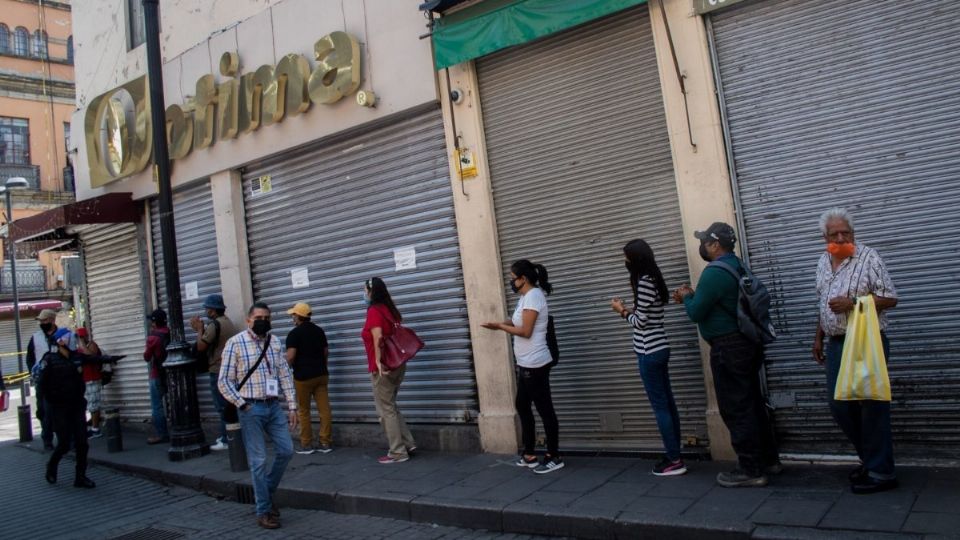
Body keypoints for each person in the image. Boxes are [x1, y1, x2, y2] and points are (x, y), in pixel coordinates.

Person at [672, 222, 779, 488]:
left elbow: (696, 313)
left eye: (704, 241)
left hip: (728, 348)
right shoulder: (737, 265)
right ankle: (768, 459)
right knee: (752, 402)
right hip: (746, 344)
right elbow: (720, 302)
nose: (702, 246)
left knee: (736, 408)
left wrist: (686, 296)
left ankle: (750, 469)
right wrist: (695, 298)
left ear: (714, 244)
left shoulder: (714, 273)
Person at [812, 207, 898, 494]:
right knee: (840, 405)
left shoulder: (869, 257)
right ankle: (871, 458)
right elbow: (822, 301)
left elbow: (890, 298)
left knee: (872, 405)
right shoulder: (823, 262)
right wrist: (818, 336)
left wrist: (853, 302)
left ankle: (882, 472)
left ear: (853, 234)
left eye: (845, 232)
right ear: (825, 237)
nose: (840, 237)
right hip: (837, 342)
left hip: (866, 339)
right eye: (834, 233)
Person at [219, 302, 297, 530]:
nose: (263, 321)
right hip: (251, 408)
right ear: (248, 320)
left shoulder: (274, 342)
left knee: (287, 450)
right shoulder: (235, 343)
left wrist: (292, 406)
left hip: (273, 406)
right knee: (259, 461)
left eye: (267, 317)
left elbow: (284, 374)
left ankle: (266, 491)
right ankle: (263, 510)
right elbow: (223, 381)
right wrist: (242, 405)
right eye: (258, 317)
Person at [611, 239, 686, 476]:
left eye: (626, 258)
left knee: (660, 406)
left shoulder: (644, 282)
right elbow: (648, 316)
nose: (624, 262)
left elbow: (641, 322)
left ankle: (674, 459)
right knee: (668, 402)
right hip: (659, 347)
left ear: (635, 259)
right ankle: (675, 453)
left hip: (649, 350)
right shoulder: (653, 279)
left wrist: (621, 311)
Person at [483, 260, 564, 474]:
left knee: (544, 409)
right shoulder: (525, 298)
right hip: (525, 362)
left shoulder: (535, 296)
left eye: (512, 277)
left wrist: (501, 327)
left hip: (536, 363)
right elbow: (516, 321)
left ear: (523, 279)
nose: (511, 281)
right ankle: (529, 453)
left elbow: (526, 331)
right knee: (523, 405)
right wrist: (500, 323)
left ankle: (554, 455)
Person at [361, 277, 417, 464]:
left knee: (385, 410)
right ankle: (408, 442)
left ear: (371, 292)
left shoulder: (374, 311)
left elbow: (378, 338)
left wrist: (378, 362)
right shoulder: (390, 310)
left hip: (384, 366)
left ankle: (398, 452)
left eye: (364, 291)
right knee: (391, 405)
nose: (363, 295)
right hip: (398, 364)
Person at [41, 328, 95, 488]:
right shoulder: (50, 360)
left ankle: (80, 477)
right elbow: (42, 386)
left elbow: (94, 359)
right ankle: (51, 465)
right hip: (59, 408)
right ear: (60, 341)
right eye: (70, 338)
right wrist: (51, 404)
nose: (73, 340)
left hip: (77, 405)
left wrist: (111, 358)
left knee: (82, 443)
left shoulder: (76, 358)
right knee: (64, 443)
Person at [189, 294, 237, 452]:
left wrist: (199, 329)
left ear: (213, 310)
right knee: (229, 405)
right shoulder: (228, 322)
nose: (206, 311)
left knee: (221, 406)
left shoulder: (214, 325)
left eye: (207, 308)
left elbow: (201, 347)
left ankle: (226, 439)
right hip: (229, 368)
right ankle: (230, 435)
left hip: (217, 369)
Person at [285, 302, 333, 455]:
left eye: (294, 314)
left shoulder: (294, 334)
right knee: (324, 409)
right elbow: (326, 352)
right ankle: (325, 442)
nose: (292, 317)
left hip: (303, 378)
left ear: (298, 316)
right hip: (321, 375)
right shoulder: (319, 331)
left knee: (304, 411)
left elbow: (291, 356)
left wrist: (286, 367)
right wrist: (322, 366)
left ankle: (306, 444)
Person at [27, 308, 69, 450]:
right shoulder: (36, 337)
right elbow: (30, 358)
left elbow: (71, 354)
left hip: (61, 379)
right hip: (43, 380)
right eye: (40, 321)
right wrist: (33, 373)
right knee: (44, 410)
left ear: (51, 320)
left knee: (64, 409)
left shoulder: (63, 334)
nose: (41, 323)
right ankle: (47, 439)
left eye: (44, 320)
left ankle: (66, 438)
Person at [144, 309, 170, 445]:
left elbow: (147, 357)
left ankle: (162, 434)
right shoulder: (169, 333)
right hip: (170, 373)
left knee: (157, 406)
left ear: (154, 322)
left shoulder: (153, 338)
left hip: (157, 373)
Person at [75, 327, 103, 438]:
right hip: (85, 380)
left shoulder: (91, 345)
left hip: (93, 378)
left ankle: (96, 429)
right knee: (89, 405)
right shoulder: (79, 348)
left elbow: (91, 356)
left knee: (94, 404)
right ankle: (92, 426)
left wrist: (82, 343)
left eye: (81, 337)